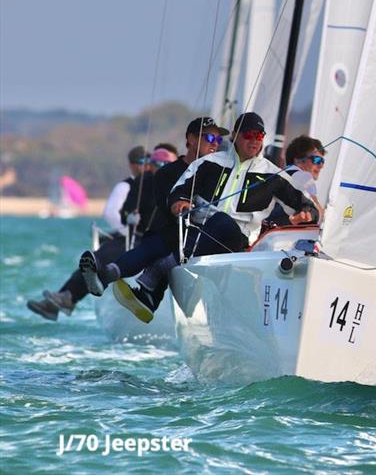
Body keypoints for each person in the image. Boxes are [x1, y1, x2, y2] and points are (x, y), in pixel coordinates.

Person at [80, 112, 319, 323]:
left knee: (222, 222)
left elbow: (303, 203)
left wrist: (308, 211)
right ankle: (107, 275)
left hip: (237, 246)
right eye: (249, 134)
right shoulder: (209, 163)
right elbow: (179, 191)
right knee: (160, 241)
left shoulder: (272, 175)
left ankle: (157, 272)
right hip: (198, 236)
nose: (255, 140)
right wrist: (179, 203)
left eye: (260, 135)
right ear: (235, 135)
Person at [71, 118, 228, 310]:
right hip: (175, 231)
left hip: (210, 234)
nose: (215, 143)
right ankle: (110, 276)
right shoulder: (167, 173)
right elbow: (166, 205)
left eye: (219, 140)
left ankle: (114, 279)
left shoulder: (222, 172)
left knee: (161, 243)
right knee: (160, 240)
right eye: (210, 137)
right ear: (191, 139)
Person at [26, 146, 150, 320]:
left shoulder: (155, 183)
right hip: (128, 236)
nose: (145, 166)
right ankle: (64, 298)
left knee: (99, 258)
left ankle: (64, 299)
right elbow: (110, 212)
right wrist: (128, 229)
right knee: (94, 259)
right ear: (131, 165)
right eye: (141, 162)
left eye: (148, 162)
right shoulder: (126, 186)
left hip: (143, 239)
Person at [267, 134, 326, 226]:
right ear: (298, 160)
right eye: (317, 160)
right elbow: (319, 214)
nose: (321, 165)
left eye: (322, 161)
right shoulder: (302, 177)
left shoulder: (281, 176)